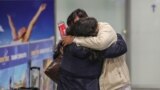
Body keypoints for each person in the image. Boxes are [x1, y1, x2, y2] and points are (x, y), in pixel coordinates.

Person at [62, 9, 131, 90]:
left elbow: (120, 47)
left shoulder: (102, 31)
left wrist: (75, 39)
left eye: (80, 22)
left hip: (116, 84)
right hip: (94, 84)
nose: (78, 27)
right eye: (75, 25)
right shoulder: (72, 44)